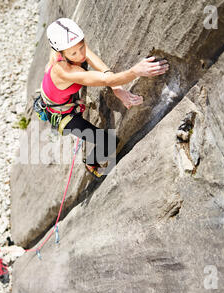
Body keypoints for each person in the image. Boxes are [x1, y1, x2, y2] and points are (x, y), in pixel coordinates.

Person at [41, 18, 169, 178]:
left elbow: (89, 56)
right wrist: (135, 72)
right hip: (63, 116)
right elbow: (105, 80)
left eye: (81, 47)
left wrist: (116, 87)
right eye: (74, 53)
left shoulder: (61, 48)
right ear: (61, 53)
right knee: (108, 142)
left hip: (60, 98)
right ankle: (91, 163)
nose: (80, 54)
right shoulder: (66, 71)